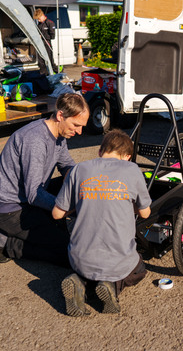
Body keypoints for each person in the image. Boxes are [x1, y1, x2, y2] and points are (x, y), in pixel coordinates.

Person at [52, 129, 152, 317]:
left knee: (90, 267)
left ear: (100, 151)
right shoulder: (131, 169)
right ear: (128, 156)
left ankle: (80, 282)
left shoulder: (78, 169)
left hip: (78, 259)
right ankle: (112, 286)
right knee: (139, 268)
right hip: (117, 262)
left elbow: (57, 214)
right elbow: (145, 213)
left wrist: (85, 199)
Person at [0, 93, 89, 266]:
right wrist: (69, 208)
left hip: (30, 198)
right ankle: (4, 242)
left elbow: (67, 168)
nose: (79, 131)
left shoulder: (60, 135)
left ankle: (51, 225)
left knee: (65, 187)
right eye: (76, 125)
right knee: (71, 253)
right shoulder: (35, 140)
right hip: (10, 209)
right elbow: (34, 194)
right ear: (60, 116)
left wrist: (87, 191)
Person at [33, 9, 58, 75]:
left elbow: (52, 36)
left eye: (39, 19)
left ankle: (57, 71)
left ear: (42, 15)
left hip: (47, 43)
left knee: (50, 60)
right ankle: (43, 74)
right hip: (40, 43)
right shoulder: (39, 24)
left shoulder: (50, 23)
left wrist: (43, 36)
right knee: (40, 60)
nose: (38, 20)